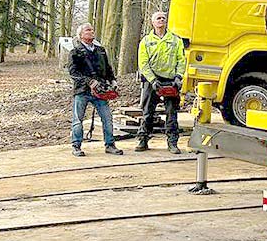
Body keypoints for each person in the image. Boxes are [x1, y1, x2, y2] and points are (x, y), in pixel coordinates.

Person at [68, 23, 123, 156]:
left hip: (101, 91)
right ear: (80, 35)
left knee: (107, 118)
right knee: (78, 119)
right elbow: (73, 72)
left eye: (92, 29)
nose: (91, 32)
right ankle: (76, 146)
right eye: (88, 30)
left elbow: (108, 69)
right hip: (82, 91)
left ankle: (110, 144)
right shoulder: (75, 52)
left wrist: (113, 81)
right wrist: (89, 82)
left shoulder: (101, 50)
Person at [135, 11, 186, 154]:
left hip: (171, 80)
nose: (161, 20)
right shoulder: (146, 41)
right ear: (153, 22)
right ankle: (143, 140)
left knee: (171, 113)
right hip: (152, 81)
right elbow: (143, 63)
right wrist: (152, 80)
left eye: (163, 18)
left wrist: (178, 77)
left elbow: (181, 60)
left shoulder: (176, 40)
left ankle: (172, 143)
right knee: (147, 112)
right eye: (158, 18)